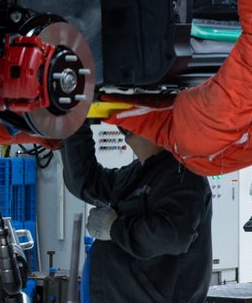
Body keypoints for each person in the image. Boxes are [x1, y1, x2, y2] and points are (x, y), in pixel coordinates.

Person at [60, 120, 212, 303]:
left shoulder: (183, 175)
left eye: (135, 118)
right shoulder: (135, 173)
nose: (125, 125)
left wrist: (114, 228)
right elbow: (86, 181)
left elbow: (171, 236)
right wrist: (74, 125)